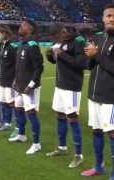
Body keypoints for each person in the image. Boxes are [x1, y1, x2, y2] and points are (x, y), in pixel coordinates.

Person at [82, 4, 114, 180]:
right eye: (108, 16)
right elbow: (89, 65)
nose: (111, 19)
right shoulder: (97, 37)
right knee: (96, 130)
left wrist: (96, 55)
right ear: (103, 18)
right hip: (94, 95)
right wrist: (89, 56)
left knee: (113, 132)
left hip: (111, 97)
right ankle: (98, 167)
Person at [45, 23, 88, 168]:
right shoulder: (61, 42)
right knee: (60, 115)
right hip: (60, 85)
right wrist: (50, 56)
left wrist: (62, 54)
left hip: (72, 87)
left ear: (64, 32)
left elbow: (82, 63)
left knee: (72, 118)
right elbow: (58, 61)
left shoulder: (79, 41)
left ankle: (78, 155)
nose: (55, 39)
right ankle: (62, 148)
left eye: (56, 36)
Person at [8, 19, 44, 155]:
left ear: (31, 29)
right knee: (18, 109)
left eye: (24, 26)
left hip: (29, 87)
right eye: (21, 25)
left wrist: (31, 85)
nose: (21, 27)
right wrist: (16, 80)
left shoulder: (32, 45)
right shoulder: (21, 44)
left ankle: (36, 144)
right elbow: (20, 67)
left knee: (31, 113)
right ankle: (21, 135)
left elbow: (39, 67)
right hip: (20, 85)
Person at [0, 25, 21, 137]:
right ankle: (7, 123)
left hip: (10, 81)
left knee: (13, 104)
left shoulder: (13, 46)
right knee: (4, 102)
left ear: (5, 33)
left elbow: (19, 65)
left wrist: (16, 79)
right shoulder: (3, 45)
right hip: (2, 80)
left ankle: (18, 128)